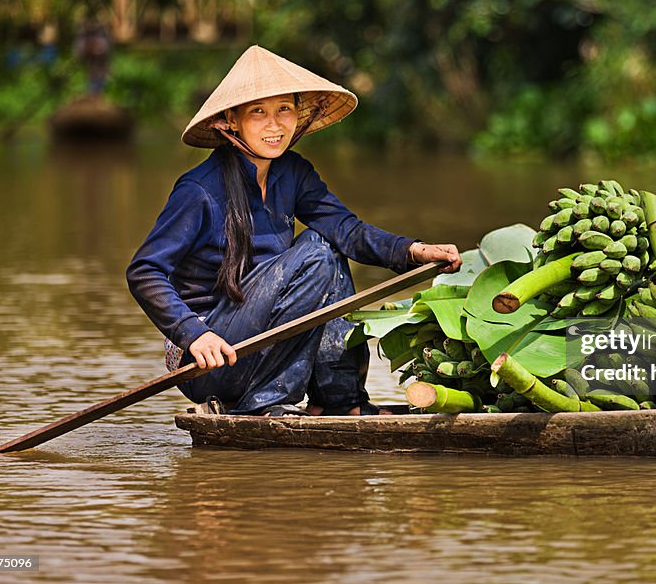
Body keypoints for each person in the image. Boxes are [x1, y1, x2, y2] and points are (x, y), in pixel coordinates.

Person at [126, 45, 461, 416]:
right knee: (317, 250)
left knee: (329, 247)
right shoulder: (199, 190)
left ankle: (342, 401)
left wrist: (413, 251)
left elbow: (347, 230)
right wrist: (194, 333)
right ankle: (263, 404)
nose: (275, 125)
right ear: (231, 121)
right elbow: (145, 272)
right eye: (259, 113)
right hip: (210, 359)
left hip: (260, 342)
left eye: (284, 109)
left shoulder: (293, 172)